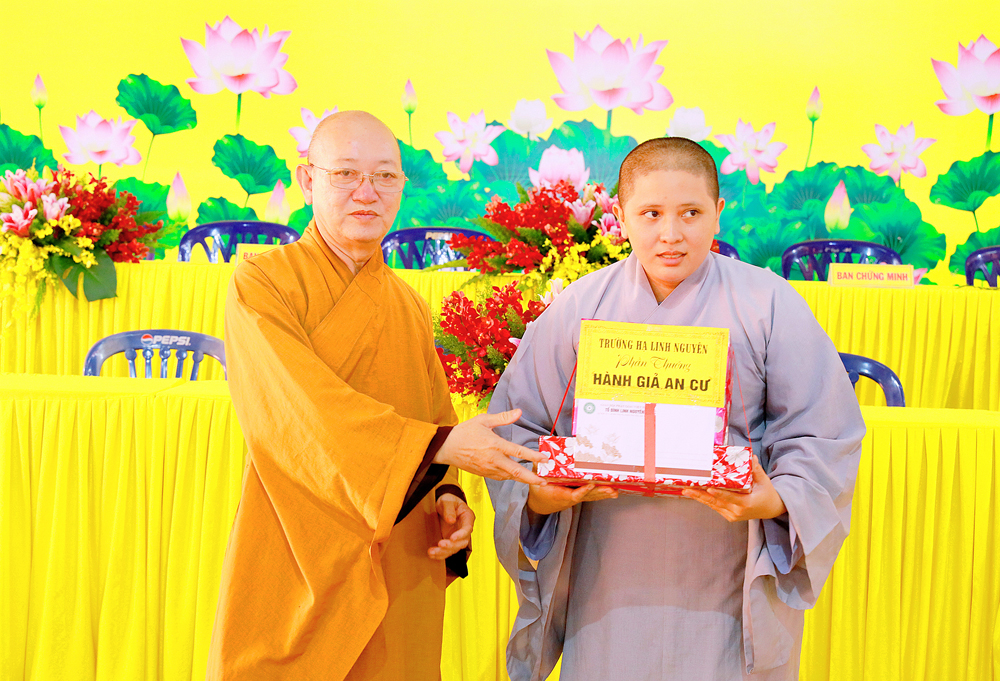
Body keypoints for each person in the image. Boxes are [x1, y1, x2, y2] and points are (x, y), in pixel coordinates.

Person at [486, 137, 866, 680]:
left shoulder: (769, 303)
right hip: (608, 568)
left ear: (718, 212)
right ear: (620, 216)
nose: (671, 233)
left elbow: (822, 432)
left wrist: (777, 498)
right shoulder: (580, 306)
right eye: (651, 214)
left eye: (691, 213)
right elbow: (515, 425)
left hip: (725, 562)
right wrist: (539, 495)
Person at [207, 110, 547, 681]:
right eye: (345, 173)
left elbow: (433, 415)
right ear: (306, 180)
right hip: (298, 533)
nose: (367, 193)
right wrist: (438, 447)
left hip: (400, 545)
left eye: (385, 176)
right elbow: (301, 414)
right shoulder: (262, 283)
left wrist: (448, 495)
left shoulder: (407, 303)